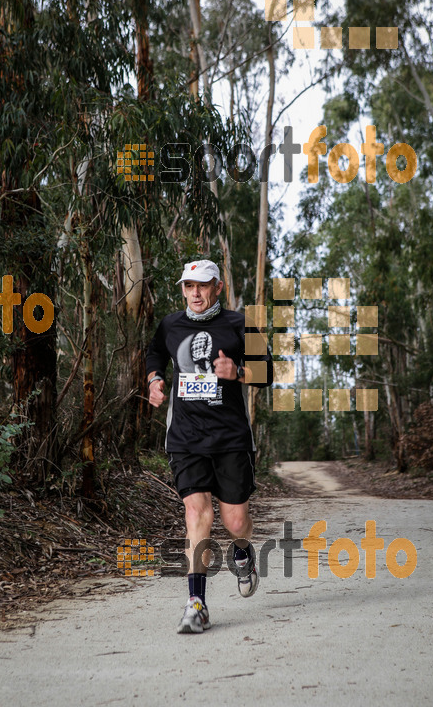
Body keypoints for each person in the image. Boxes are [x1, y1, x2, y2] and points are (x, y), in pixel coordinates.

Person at [146, 259, 273, 634]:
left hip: (231, 438)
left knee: (235, 522)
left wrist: (239, 373)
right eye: (188, 286)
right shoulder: (171, 324)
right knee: (197, 515)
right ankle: (196, 603)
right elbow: (155, 353)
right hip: (186, 438)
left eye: (202, 286)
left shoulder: (239, 324)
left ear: (219, 287)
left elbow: (267, 371)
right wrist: (154, 379)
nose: (195, 293)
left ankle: (242, 551)